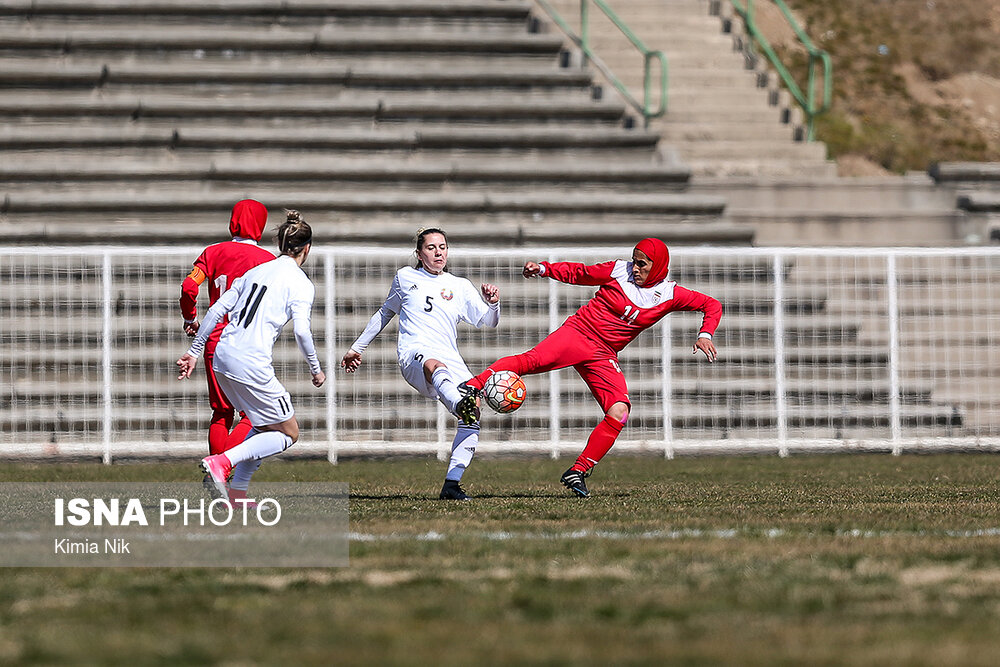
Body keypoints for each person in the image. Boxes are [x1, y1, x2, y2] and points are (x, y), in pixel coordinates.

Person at [461, 238, 722, 498]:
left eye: (642, 264)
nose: (635, 268)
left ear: (658, 266)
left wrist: (706, 334)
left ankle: (579, 470)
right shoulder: (618, 270)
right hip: (579, 334)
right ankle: (474, 385)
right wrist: (543, 269)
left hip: (603, 354)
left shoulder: (669, 293)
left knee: (619, 411)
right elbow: (580, 273)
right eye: (634, 262)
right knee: (530, 361)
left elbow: (712, 305)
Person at [177, 210, 325, 504]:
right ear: (306, 248)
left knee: (260, 426)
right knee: (288, 433)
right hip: (250, 362)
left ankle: (237, 493)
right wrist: (316, 369)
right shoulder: (300, 282)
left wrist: (194, 352)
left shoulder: (254, 272)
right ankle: (221, 462)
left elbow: (218, 310)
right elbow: (302, 333)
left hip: (221, 357)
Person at [341, 228, 500, 501]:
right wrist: (357, 347)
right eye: (431, 247)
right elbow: (385, 312)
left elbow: (489, 321)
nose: (438, 252)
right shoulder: (405, 277)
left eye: (443, 247)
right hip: (414, 354)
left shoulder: (459, 285)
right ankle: (456, 403)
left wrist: (494, 304)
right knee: (435, 365)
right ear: (419, 253)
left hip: (450, 360)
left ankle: (451, 484)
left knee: (473, 413)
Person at [180, 199, 275, 463]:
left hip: (213, 342)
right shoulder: (268, 261)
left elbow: (189, 286)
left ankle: (219, 479)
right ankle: (222, 466)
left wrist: (191, 318)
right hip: (247, 342)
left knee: (222, 413)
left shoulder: (212, 253)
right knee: (252, 415)